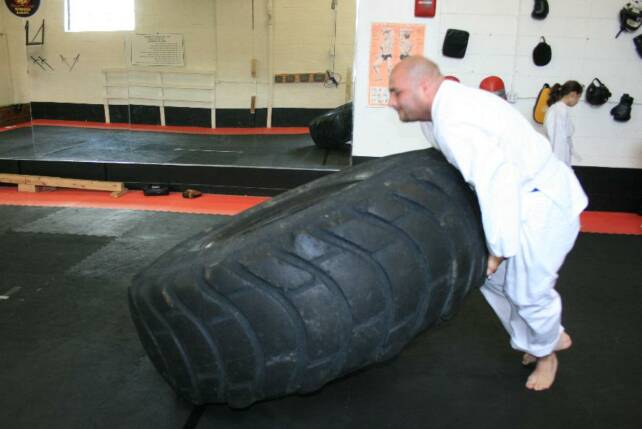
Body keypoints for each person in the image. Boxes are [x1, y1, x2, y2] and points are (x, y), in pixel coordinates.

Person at [388, 56, 588, 391]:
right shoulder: (436, 116)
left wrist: (498, 251)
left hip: (543, 203)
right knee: (492, 282)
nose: (391, 102)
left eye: (397, 92)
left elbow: (498, 183)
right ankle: (540, 339)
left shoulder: (455, 120)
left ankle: (547, 353)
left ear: (424, 87)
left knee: (527, 291)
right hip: (518, 202)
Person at [544, 81, 583, 166]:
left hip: (559, 158)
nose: (578, 101)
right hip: (557, 160)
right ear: (573, 94)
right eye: (578, 97)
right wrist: (559, 165)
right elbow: (557, 140)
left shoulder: (559, 109)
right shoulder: (558, 110)